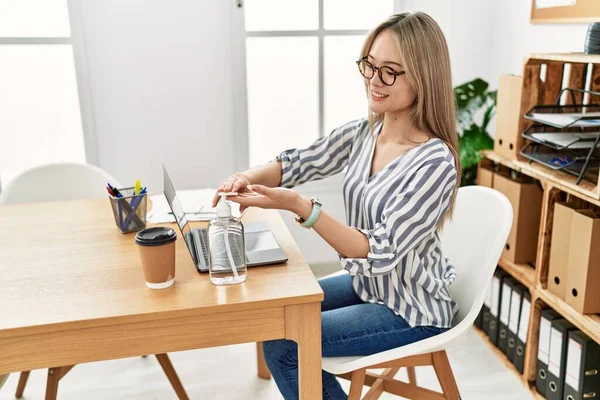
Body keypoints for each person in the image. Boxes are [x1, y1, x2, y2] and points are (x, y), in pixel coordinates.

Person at [212, 12, 460, 400]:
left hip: (411, 311)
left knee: (285, 345)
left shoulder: (434, 164)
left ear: (424, 78)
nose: (374, 81)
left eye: (391, 71)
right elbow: (297, 162)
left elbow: (376, 250)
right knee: (277, 314)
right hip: (368, 288)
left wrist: (300, 206)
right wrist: (242, 178)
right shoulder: (366, 131)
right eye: (370, 65)